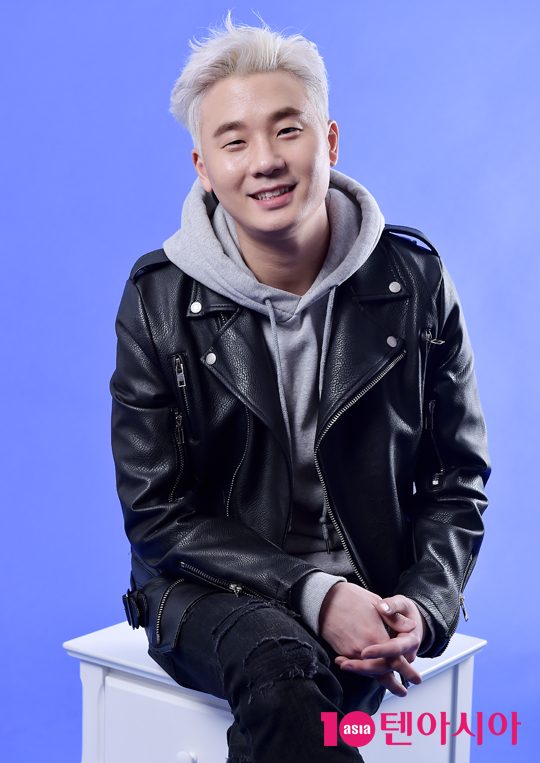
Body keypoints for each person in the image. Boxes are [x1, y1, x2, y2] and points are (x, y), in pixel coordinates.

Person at [110, 13, 490, 763]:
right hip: (204, 591)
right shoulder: (157, 300)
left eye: (287, 129)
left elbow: (458, 479)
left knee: (310, 694)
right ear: (203, 166)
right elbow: (157, 515)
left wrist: (423, 603)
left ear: (330, 141)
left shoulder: (414, 282)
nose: (265, 161)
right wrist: (316, 594)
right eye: (234, 141)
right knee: (283, 669)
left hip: (370, 585)